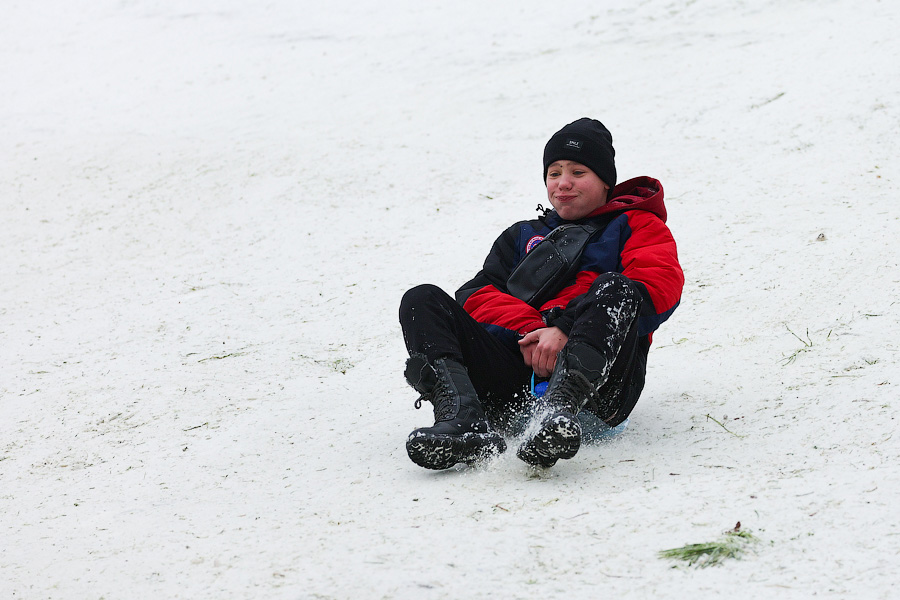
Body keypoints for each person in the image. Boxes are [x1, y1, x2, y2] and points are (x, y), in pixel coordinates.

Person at [398, 118, 684, 470]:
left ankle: (559, 411)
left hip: (597, 394)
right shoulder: (523, 236)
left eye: (578, 172)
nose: (563, 183)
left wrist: (564, 329)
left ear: (606, 182)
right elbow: (475, 294)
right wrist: (532, 331)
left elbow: (657, 286)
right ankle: (463, 421)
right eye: (554, 172)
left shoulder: (638, 225)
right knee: (421, 300)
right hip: (514, 382)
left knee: (617, 287)